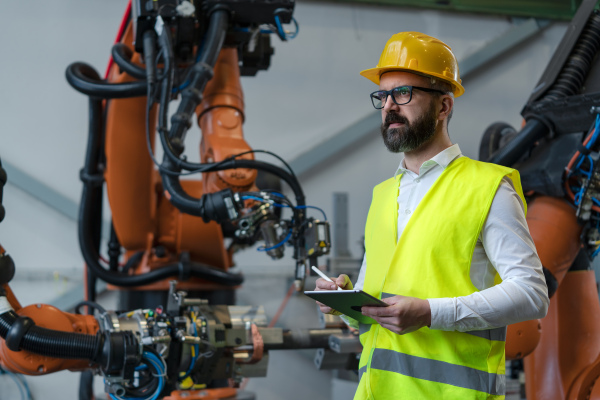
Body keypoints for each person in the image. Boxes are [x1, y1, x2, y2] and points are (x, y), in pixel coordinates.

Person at [313, 32, 549, 399]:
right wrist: (347, 302)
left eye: (403, 93)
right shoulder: (383, 195)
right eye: (383, 96)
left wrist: (430, 313)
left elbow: (532, 294)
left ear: (443, 106)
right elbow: (380, 312)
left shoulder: (487, 187)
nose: (390, 105)